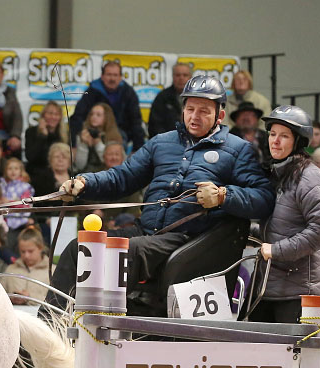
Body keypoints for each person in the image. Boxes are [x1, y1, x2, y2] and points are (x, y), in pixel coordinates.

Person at [53, 76, 275, 311]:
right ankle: (49, 326)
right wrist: (85, 182)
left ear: (220, 115)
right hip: (146, 232)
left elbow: (263, 197)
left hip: (188, 239)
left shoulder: (239, 150)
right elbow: (123, 176)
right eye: (190, 109)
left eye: (203, 111)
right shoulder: (161, 142)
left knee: (126, 251)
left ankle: (98, 320)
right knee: (80, 247)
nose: (194, 116)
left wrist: (223, 196)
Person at [251, 105, 320, 323]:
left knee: (293, 358)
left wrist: (276, 250)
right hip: (268, 288)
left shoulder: (310, 177)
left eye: (284, 136)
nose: (275, 141)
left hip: (299, 293)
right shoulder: (276, 174)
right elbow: (279, 227)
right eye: (272, 134)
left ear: (297, 141)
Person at [70, 60, 145, 151]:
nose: (112, 79)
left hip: (119, 134)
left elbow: (136, 120)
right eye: (109, 75)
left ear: (121, 77)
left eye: (115, 75)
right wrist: (73, 145)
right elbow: (78, 116)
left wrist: (138, 149)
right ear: (102, 76)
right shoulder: (92, 91)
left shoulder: (128, 93)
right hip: (93, 132)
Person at [1, 225, 51, 304]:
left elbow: (56, 301)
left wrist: (30, 297)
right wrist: (10, 298)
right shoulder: (10, 269)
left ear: (40, 248)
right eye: (23, 251)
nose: (26, 255)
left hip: (41, 315)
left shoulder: (52, 271)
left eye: (30, 251)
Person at [73, 102, 121, 173]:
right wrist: (83, 145)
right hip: (85, 175)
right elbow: (80, 165)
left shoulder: (115, 137)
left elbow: (111, 162)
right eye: (91, 114)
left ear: (107, 117)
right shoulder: (83, 134)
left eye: (98, 115)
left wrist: (98, 144)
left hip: (107, 175)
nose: (94, 117)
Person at [147, 63, 193, 137]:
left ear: (191, 78)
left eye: (185, 75)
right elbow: (154, 126)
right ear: (173, 77)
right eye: (178, 75)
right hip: (167, 141)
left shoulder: (198, 99)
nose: (181, 78)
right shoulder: (162, 97)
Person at [24, 101, 67, 174]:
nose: (53, 117)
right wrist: (42, 136)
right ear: (43, 116)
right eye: (50, 113)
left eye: (56, 114)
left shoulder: (63, 135)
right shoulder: (31, 131)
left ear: (60, 118)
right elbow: (30, 157)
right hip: (36, 172)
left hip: (57, 172)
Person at [0, 156, 35, 246]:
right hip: (5, 220)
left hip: (21, 220)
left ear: (21, 171)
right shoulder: (2, 186)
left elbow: (26, 204)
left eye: (16, 168)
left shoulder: (25, 187)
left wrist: (9, 202)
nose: (13, 171)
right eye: (10, 168)